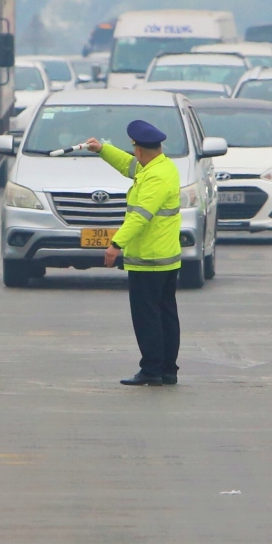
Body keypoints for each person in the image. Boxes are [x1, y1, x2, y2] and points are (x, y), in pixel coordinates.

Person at [81, 119, 182, 386]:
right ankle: (167, 370)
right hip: (164, 258)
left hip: (149, 259)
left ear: (138, 148)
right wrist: (102, 150)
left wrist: (116, 244)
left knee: (148, 318)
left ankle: (151, 370)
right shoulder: (159, 166)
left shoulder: (156, 176)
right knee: (165, 315)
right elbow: (127, 165)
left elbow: (140, 216)